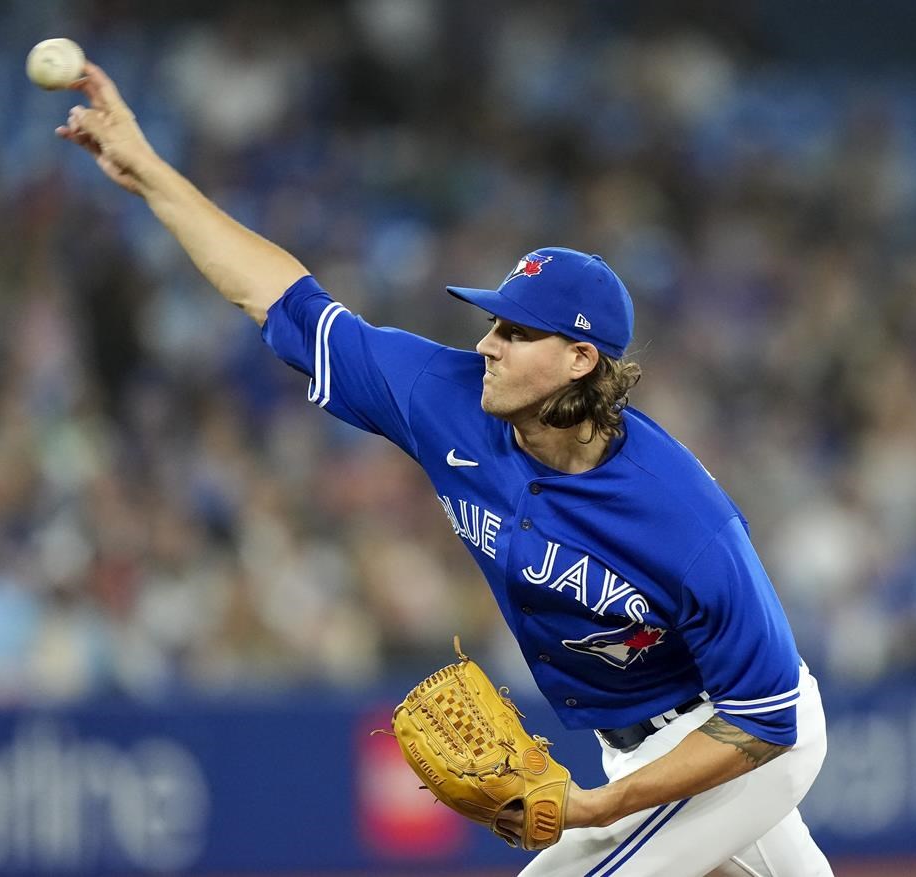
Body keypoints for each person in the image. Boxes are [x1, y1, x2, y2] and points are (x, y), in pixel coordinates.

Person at [57, 63, 835, 877]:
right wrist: (149, 173)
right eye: (493, 323)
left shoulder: (684, 515)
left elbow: (767, 718)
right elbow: (281, 299)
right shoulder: (445, 396)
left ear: (579, 359)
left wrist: (602, 806)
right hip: (637, 742)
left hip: (741, 735)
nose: (487, 344)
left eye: (516, 333)